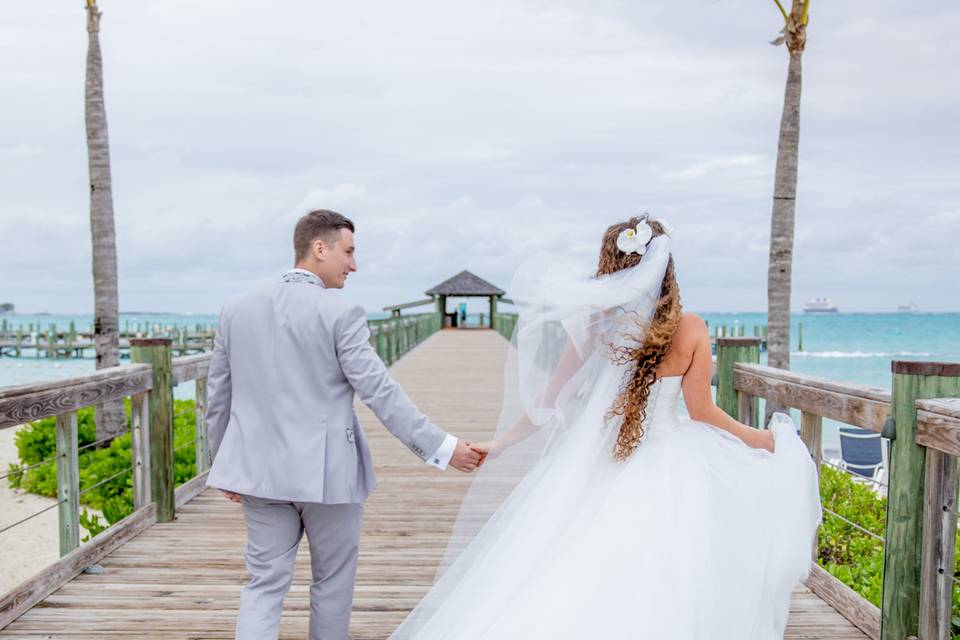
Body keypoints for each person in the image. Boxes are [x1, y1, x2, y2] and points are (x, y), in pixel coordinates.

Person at [390, 215, 822, 639]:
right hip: (673, 463)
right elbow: (704, 411)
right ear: (665, 268)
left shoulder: (595, 324)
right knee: (674, 574)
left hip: (600, 461)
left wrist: (501, 443)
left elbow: (548, 399)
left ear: (611, 270)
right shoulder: (691, 328)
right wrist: (762, 440)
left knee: (576, 562)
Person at [204, 209, 484, 640]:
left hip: (257, 473)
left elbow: (217, 399)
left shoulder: (235, 309)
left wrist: (222, 464)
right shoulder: (342, 314)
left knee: (263, 586)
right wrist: (443, 447)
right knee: (332, 586)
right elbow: (380, 392)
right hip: (328, 476)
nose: (354, 265)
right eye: (349, 252)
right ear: (320, 248)